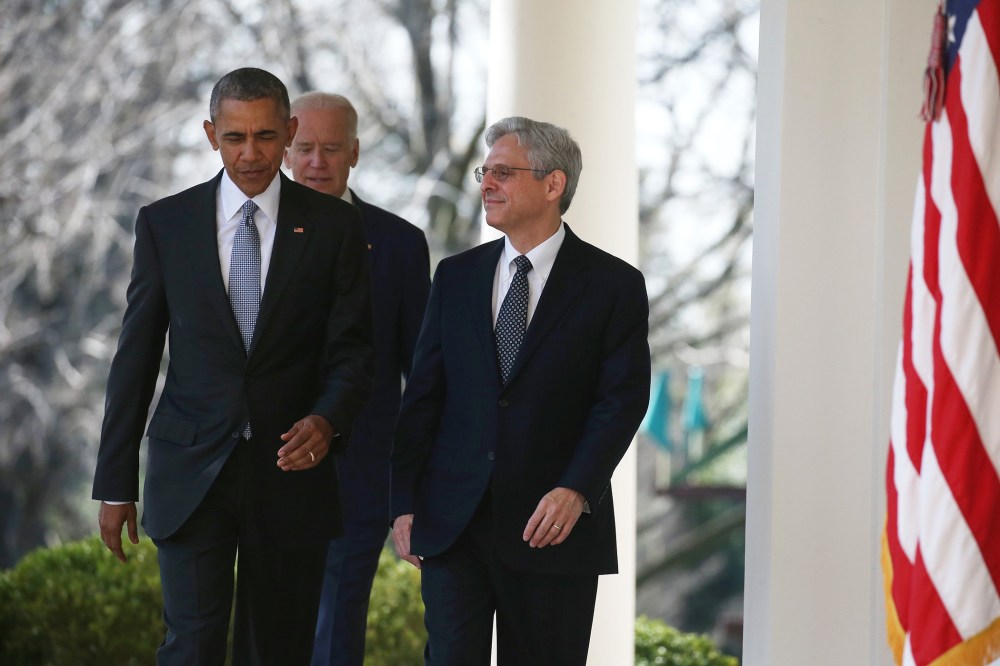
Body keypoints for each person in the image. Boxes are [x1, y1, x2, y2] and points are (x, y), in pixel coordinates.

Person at [92, 67, 374, 666]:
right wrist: (116, 481)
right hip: (191, 470)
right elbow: (136, 357)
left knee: (277, 650)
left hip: (291, 472)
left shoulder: (333, 226)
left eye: (267, 137)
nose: (251, 154)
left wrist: (327, 420)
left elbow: (354, 349)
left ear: (290, 130)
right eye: (235, 138)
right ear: (210, 134)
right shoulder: (166, 224)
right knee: (190, 646)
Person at [390, 116, 651, 665]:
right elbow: (424, 399)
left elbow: (621, 400)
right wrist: (405, 503)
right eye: (486, 171)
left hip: (551, 528)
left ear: (553, 184)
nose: (486, 183)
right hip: (453, 524)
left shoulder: (614, 285)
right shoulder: (456, 277)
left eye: (503, 173)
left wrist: (576, 489)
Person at [282, 92, 431, 666]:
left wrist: (413, 484)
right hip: (265, 467)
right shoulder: (250, 234)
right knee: (268, 622)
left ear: (356, 153)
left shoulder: (398, 244)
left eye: (332, 148)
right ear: (289, 151)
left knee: (337, 625)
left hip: (359, 474)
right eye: (305, 148)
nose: (317, 161)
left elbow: (419, 374)